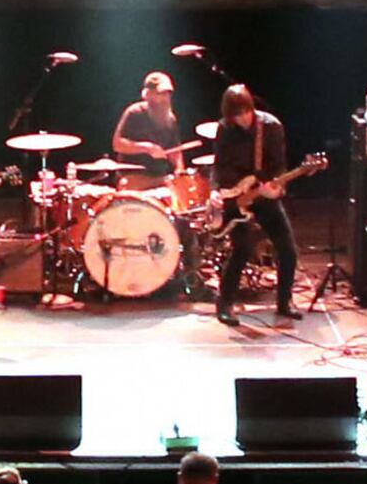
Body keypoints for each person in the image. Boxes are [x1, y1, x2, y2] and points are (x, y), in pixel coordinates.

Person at [207, 83, 302, 321]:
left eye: (244, 113)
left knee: (288, 249)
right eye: (236, 116)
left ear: (251, 107)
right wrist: (215, 191)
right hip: (235, 197)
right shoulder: (225, 128)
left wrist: (276, 190)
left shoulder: (271, 127)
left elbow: (279, 167)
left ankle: (284, 301)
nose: (241, 120)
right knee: (242, 248)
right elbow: (218, 166)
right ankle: (224, 304)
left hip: (263, 194)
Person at [110, 69, 186, 175]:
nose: (166, 98)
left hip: (160, 176)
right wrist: (146, 148)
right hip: (133, 177)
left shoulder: (170, 119)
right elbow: (117, 144)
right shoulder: (135, 113)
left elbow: (175, 151)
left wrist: (179, 169)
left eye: (168, 93)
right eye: (160, 93)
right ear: (148, 94)